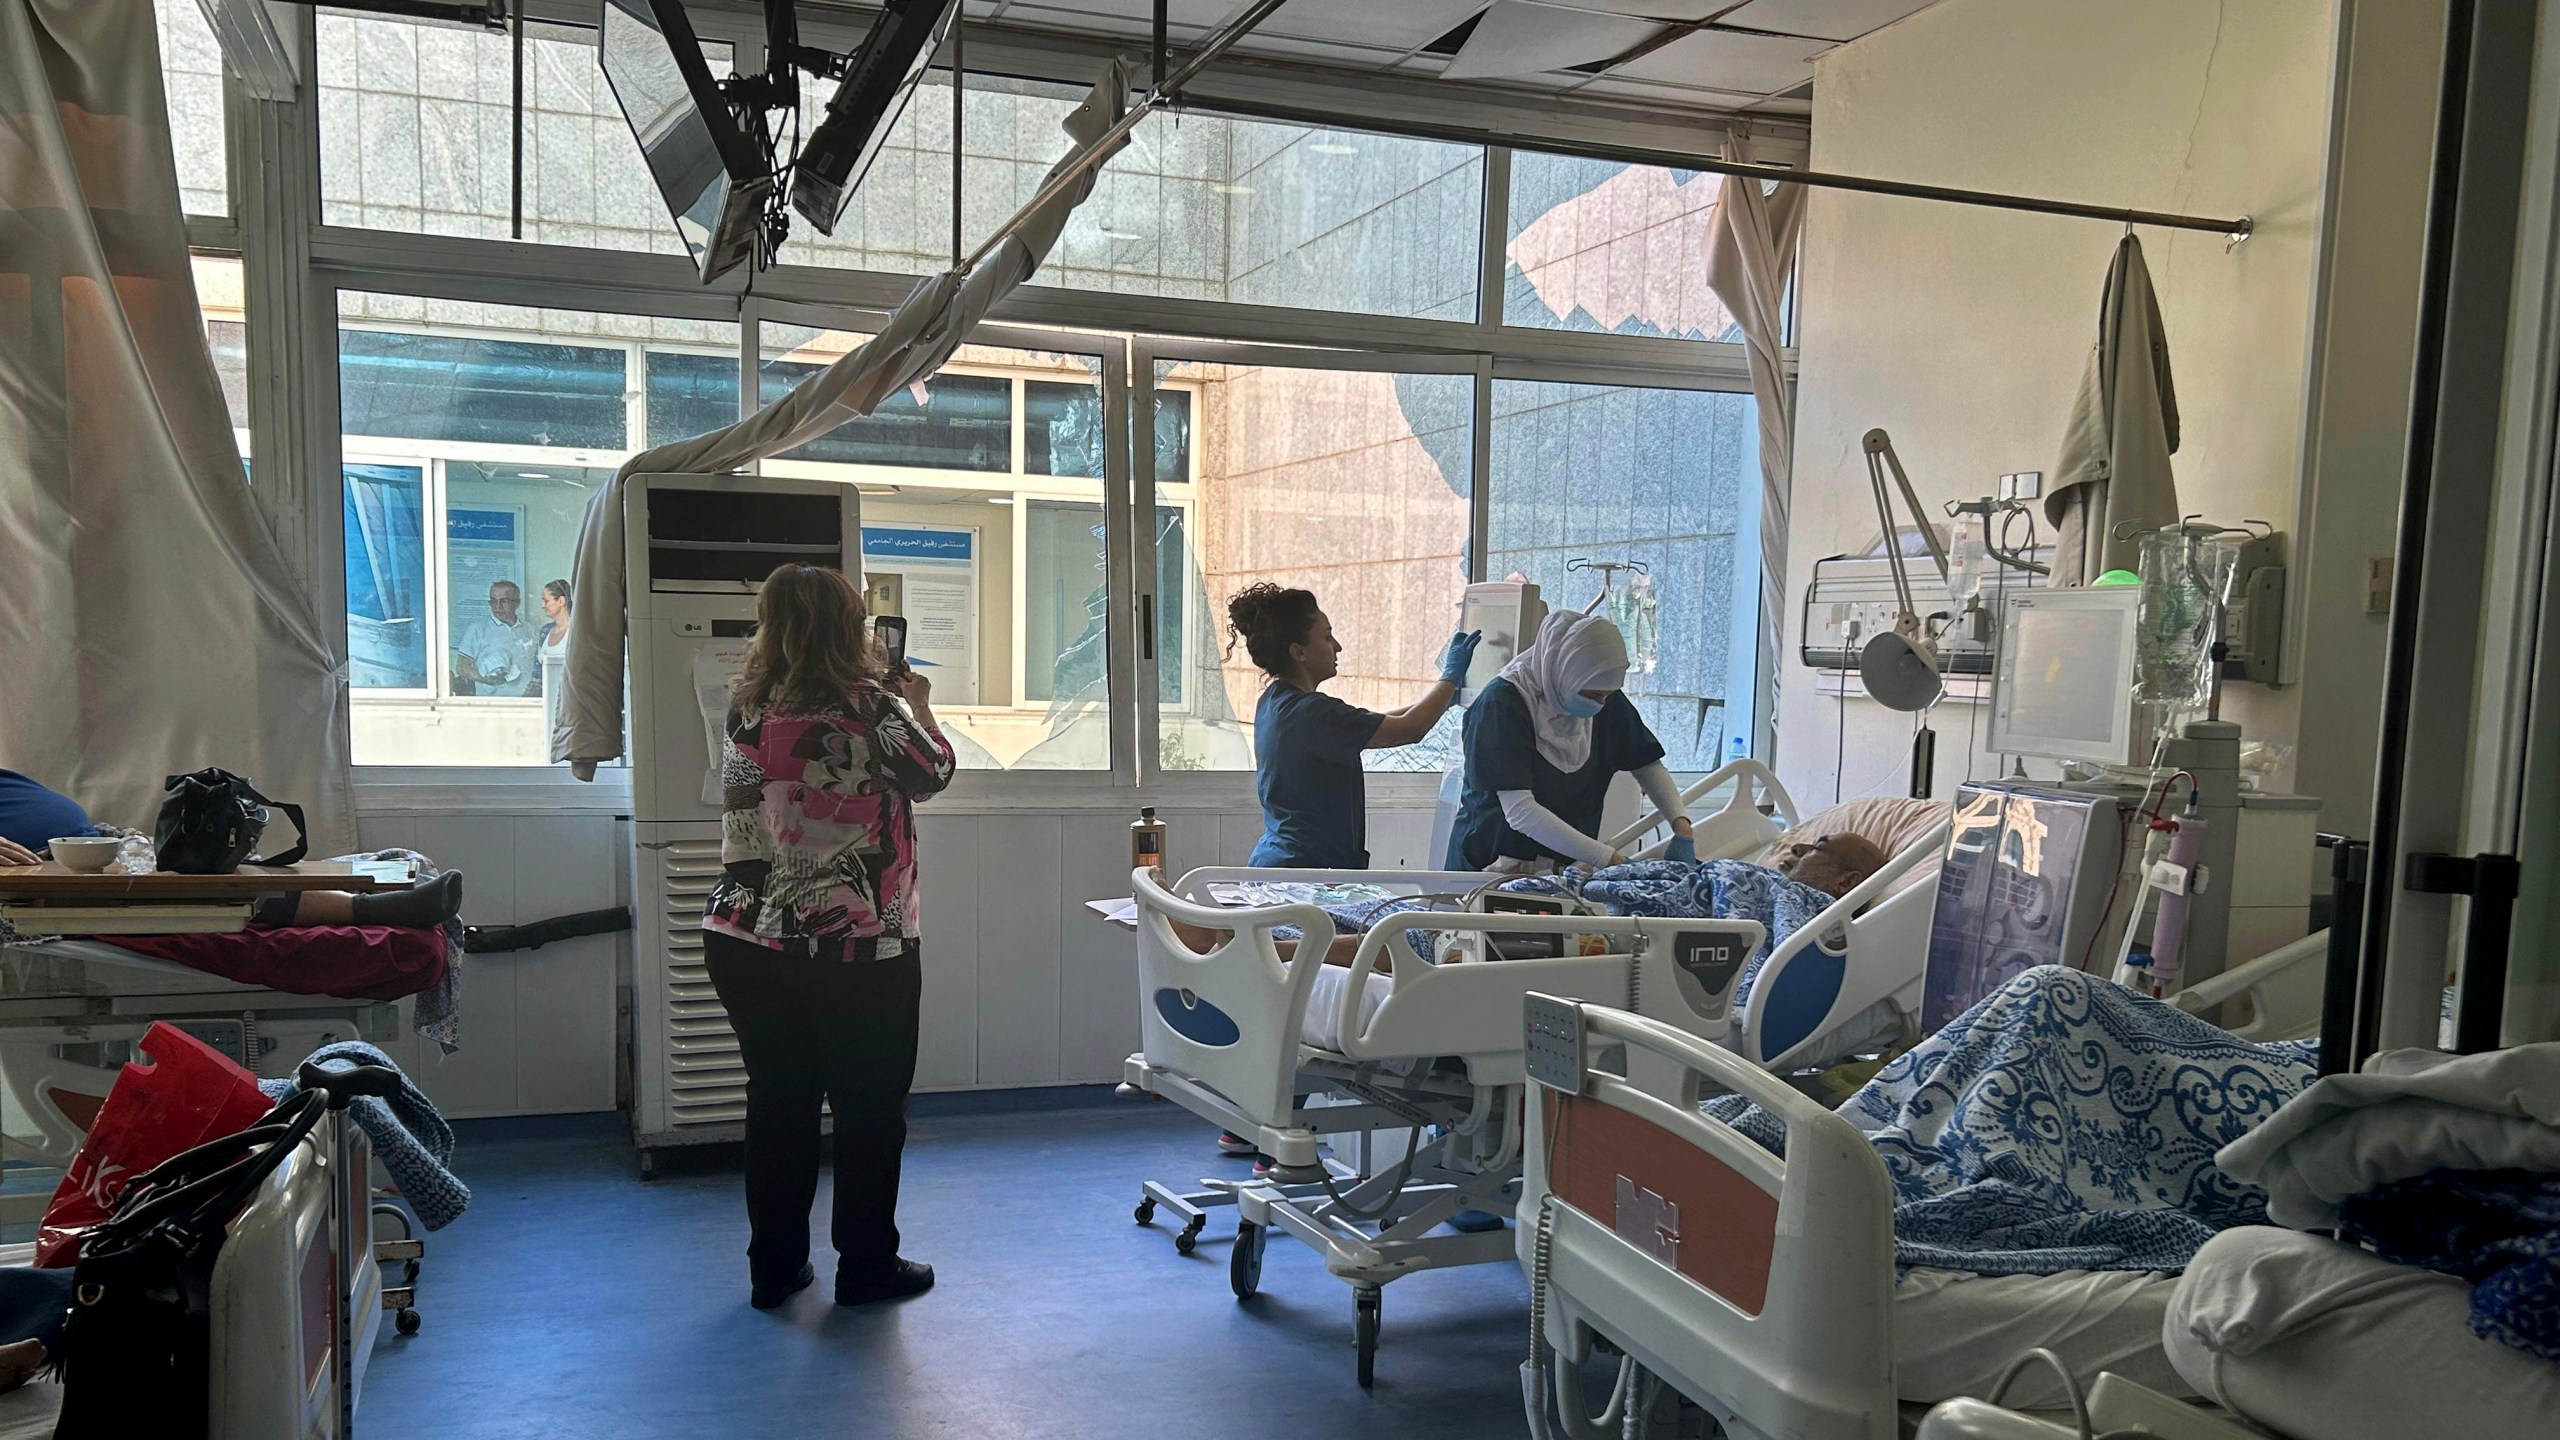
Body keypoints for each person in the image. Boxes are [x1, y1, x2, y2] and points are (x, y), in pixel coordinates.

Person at [700, 564, 954, 1311]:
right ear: (853, 630)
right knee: (869, 1110)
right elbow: (934, 772)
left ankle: (774, 1271)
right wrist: (923, 708)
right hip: (859, 945)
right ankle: (866, 1267)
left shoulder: (747, 710)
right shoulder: (874, 709)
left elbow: (743, 828)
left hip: (747, 937)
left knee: (777, 1105)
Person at [0, 770, 464, 928]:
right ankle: (372, 911)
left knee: (202, 864)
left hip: (84, 848)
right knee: (196, 892)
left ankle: (372, 895)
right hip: (38, 877)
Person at [1227, 583, 1479, 869]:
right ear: (1299, 652)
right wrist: (1450, 677)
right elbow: (1410, 729)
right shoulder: (1312, 713)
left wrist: (1444, 696)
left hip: (1279, 862)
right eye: (1327, 637)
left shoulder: (1276, 701)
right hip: (1304, 873)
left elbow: (1384, 722)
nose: (1337, 646)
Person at [1445, 612, 1695, 873]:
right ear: (1567, 674)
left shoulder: (1603, 699)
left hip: (1559, 868)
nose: (1600, 704)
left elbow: (1646, 764)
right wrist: (1611, 860)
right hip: (1490, 864)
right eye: (1594, 695)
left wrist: (1682, 828)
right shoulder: (1502, 704)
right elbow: (1520, 811)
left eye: (1607, 695)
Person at [453, 581, 541, 697]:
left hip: (525, 703)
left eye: (503, 601)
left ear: (517, 603)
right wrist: (485, 679)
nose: (497, 607)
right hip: (492, 703)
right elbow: (462, 667)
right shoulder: (478, 629)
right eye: (493, 601)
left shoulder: (530, 631)